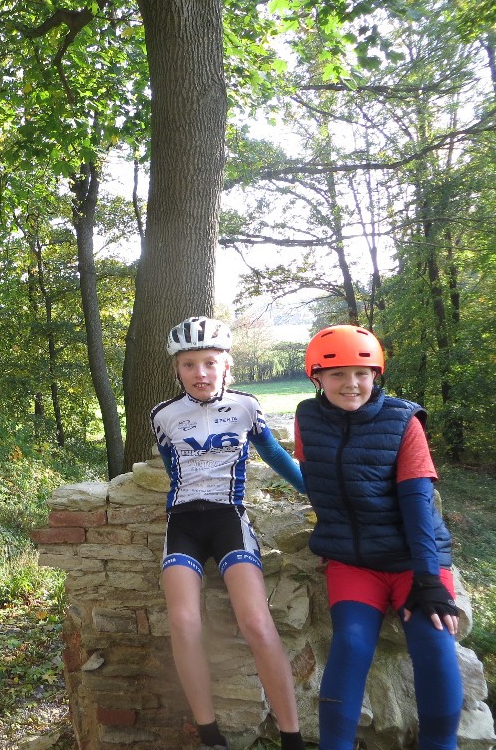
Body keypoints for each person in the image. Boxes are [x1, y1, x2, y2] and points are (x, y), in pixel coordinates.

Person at [294, 324, 462, 750]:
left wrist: (428, 578)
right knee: (350, 644)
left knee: (435, 640)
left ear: (376, 375)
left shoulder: (404, 421)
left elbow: (418, 504)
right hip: (353, 561)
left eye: (362, 373)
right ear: (317, 378)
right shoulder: (306, 417)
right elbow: (314, 480)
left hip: (411, 558)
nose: (351, 383)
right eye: (337, 374)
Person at [151, 316, 307, 750]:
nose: (199, 373)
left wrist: (318, 493)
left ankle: (292, 737)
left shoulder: (246, 407)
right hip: (183, 523)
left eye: (209, 363)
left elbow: (275, 456)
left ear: (226, 365)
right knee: (184, 623)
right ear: (177, 369)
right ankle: (210, 735)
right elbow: (173, 470)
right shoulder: (163, 415)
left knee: (256, 621)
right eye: (189, 365)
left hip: (229, 520)